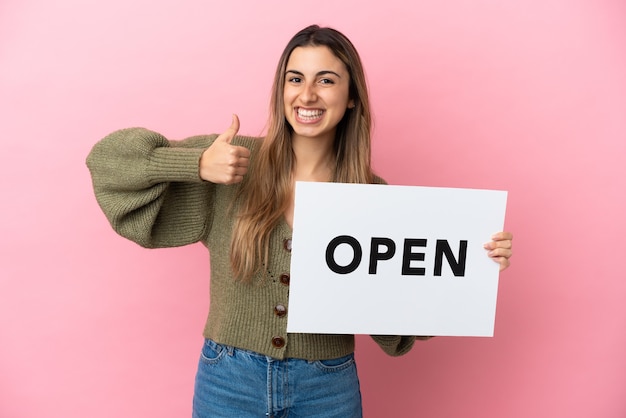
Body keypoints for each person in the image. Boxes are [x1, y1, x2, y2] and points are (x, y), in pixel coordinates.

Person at [86, 24, 513, 418]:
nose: (307, 95)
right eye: (295, 79)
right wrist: (194, 164)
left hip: (328, 388)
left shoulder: (373, 199)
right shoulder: (231, 163)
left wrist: (475, 267)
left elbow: (404, 319)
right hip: (228, 381)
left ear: (351, 98)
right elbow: (107, 165)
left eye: (325, 80)